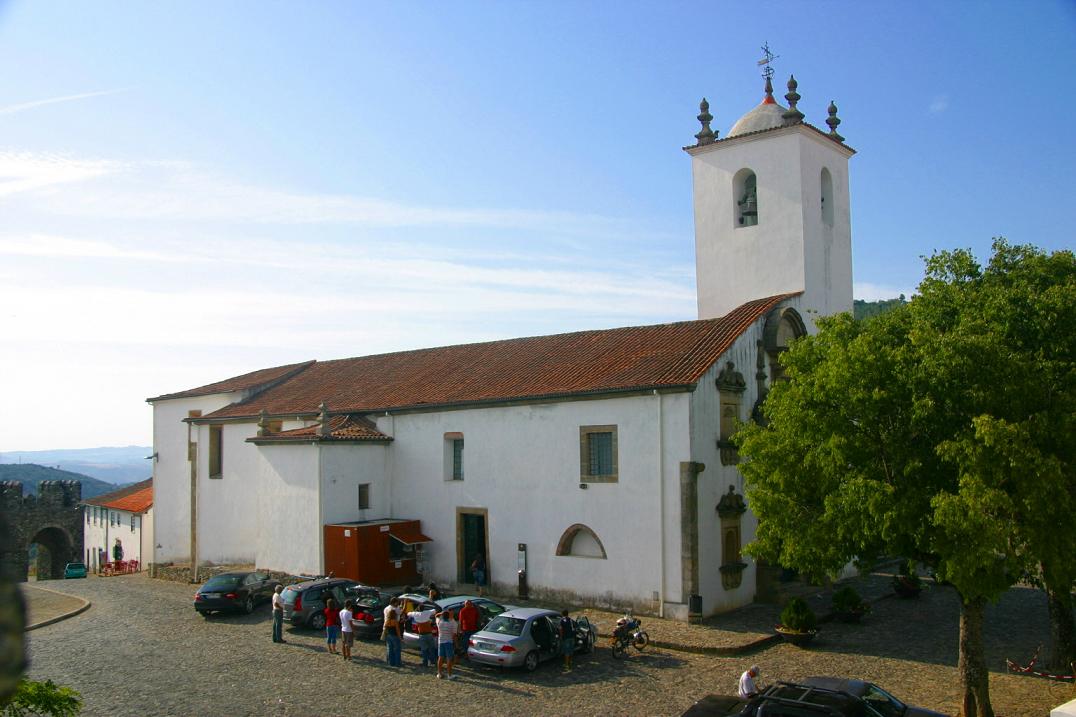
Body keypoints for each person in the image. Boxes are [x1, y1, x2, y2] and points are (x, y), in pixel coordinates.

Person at [435, 608, 459, 680]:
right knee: (449, 659)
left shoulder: (440, 622)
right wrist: (456, 644)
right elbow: (454, 635)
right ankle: (449, 675)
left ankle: (439, 673)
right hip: (448, 642)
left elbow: (436, 616)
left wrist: (441, 613)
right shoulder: (453, 623)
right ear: (449, 616)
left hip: (441, 641)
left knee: (440, 658)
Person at [383, 597, 403, 667]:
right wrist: (400, 637)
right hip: (395, 635)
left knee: (390, 648)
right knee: (397, 649)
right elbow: (397, 630)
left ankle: (390, 662)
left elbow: (385, 626)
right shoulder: (395, 620)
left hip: (388, 634)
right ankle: (398, 663)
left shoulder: (386, 609)